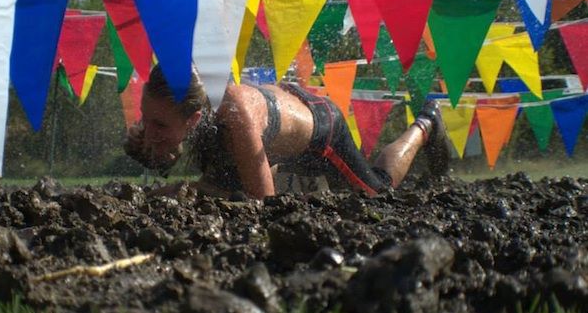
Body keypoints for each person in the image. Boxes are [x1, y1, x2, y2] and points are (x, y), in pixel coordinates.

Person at [124, 64, 449, 200]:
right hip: (282, 121)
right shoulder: (197, 100)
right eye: (146, 118)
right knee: (217, 180)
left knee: (377, 192)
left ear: (194, 119)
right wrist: (158, 147)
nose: (147, 129)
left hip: (321, 133)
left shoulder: (237, 118)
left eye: (159, 125)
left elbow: (265, 201)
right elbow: (179, 156)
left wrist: (188, 189)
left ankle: (425, 123)